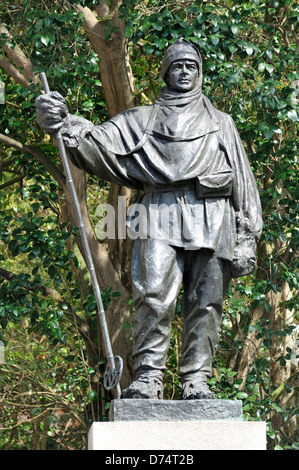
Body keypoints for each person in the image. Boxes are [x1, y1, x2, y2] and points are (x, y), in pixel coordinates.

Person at [35, 38, 263, 400]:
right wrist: (61, 122)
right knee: (152, 295)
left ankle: (197, 380)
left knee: (206, 302)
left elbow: (244, 181)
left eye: (192, 65)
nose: (185, 71)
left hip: (214, 216)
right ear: (165, 72)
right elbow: (96, 143)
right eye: (177, 65)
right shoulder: (141, 119)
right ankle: (149, 377)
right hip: (158, 211)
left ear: (200, 72)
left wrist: (249, 232)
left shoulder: (222, 123)